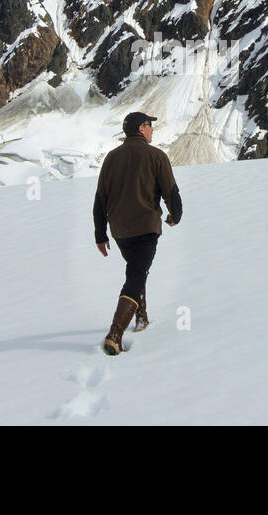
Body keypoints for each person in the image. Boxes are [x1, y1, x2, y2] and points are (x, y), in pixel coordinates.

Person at [93, 111, 183, 355]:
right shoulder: (156, 156)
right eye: (150, 125)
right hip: (146, 228)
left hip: (120, 231)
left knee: (136, 269)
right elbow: (170, 191)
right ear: (141, 129)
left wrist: (100, 234)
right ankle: (115, 334)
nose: (153, 130)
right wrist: (175, 215)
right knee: (136, 274)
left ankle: (141, 317)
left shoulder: (111, 158)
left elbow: (100, 199)